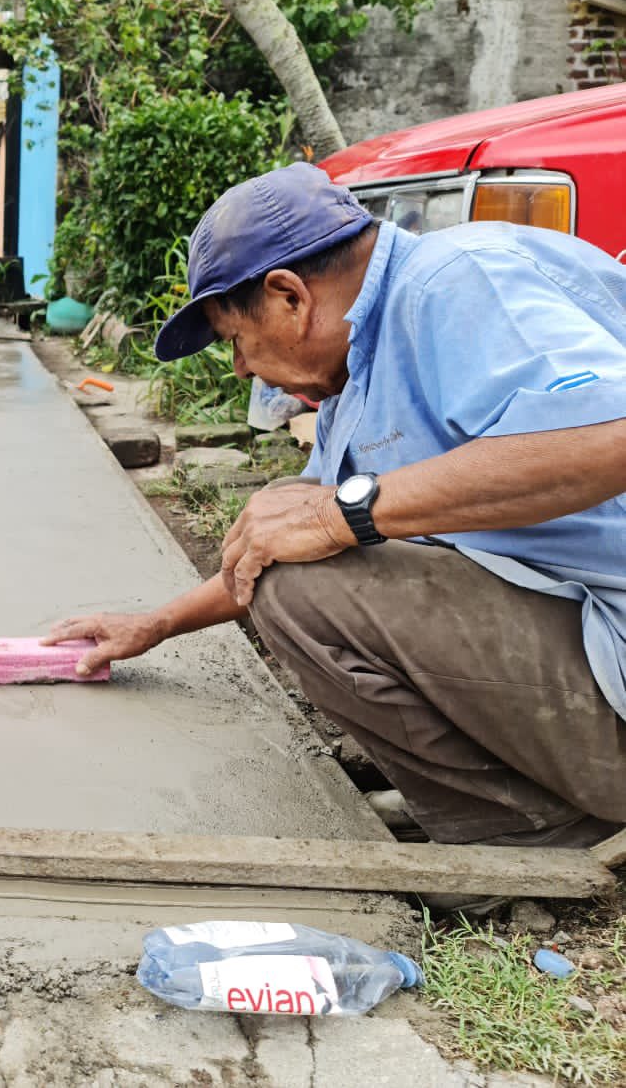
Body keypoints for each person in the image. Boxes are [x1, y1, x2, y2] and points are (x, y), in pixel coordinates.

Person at [47, 162, 626, 849]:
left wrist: (342, 513)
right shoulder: (356, 378)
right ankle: (532, 796)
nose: (238, 368)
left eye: (236, 340)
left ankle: (531, 830)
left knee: (310, 563)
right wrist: (154, 624)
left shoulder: (455, 283)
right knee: (294, 517)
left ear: (289, 296)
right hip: (588, 640)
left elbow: (609, 435)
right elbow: (278, 545)